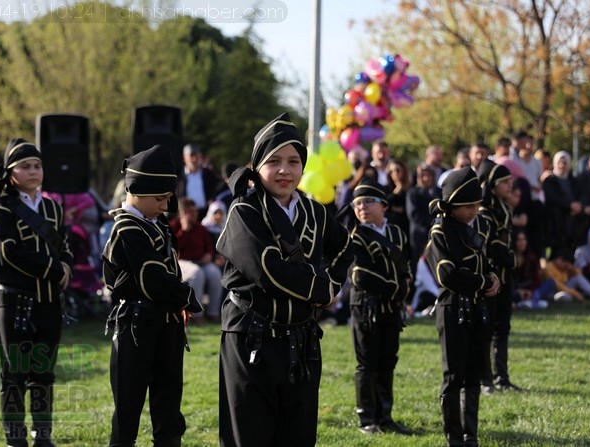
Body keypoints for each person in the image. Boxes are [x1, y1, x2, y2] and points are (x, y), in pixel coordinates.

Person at [216, 112, 353, 447]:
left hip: (301, 341)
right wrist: (320, 288)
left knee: (298, 436)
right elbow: (267, 269)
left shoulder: (316, 212)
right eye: (274, 161)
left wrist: (333, 285)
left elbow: (345, 247)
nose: (284, 170)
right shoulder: (243, 212)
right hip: (251, 338)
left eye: (294, 161)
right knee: (248, 437)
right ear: (257, 166)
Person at [102, 145, 202, 447]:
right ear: (136, 191)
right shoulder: (126, 229)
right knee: (128, 410)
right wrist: (187, 298)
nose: (166, 205)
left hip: (167, 325)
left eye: (168, 198)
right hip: (136, 326)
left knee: (169, 409)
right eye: (159, 198)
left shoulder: (157, 224)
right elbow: (153, 278)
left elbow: (168, 271)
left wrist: (177, 302)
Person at [0, 139, 73, 447]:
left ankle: (43, 436)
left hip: (49, 301)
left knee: (44, 372)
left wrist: (68, 265)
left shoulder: (52, 208)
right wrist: (56, 269)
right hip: (14, 301)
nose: (33, 171)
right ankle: (16, 438)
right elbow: (10, 252)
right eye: (25, 166)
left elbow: (65, 245)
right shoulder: (0, 211)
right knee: (15, 374)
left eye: (37, 165)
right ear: (10, 174)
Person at [426, 167, 500, 447]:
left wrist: (493, 277)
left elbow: (484, 259)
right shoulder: (440, 230)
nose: (474, 210)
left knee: (474, 372)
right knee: (453, 375)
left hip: (478, 308)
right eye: (468, 205)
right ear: (452, 204)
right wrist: (482, 281)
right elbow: (447, 274)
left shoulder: (477, 225)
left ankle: (471, 435)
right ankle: (454, 438)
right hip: (453, 307)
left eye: (477, 204)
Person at [347, 178, 412, 436]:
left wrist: (404, 284)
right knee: (367, 363)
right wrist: (399, 288)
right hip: (366, 305)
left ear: (383, 206)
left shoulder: (397, 233)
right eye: (357, 203)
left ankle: (385, 417)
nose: (362, 207)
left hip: (391, 308)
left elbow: (405, 267)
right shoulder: (354, 236)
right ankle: (367, 420)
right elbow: (360, 276)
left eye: (367, 202)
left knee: (387, 361)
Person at [476, 160, 519, 394]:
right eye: (504, 181)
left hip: (505, 275)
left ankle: (502, 377)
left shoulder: (504, 207)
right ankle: (486, 380)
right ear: (493, 185)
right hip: (490, 275)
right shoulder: (483, 210)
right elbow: (489, 244)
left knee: (503, 327)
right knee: (487, 328)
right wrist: (508, 257)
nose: (509, 184)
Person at [170, 197, 224, 322]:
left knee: (215, 273)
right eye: (191, 212)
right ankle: (196, 315)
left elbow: (209, 247)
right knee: (197, 274)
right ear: (183, 213)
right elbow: (173, 250)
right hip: (181, 262)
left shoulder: (200, 228)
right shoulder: (174, 226)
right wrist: (183, 231)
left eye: (195, 211)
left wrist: (209, 255)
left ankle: (213, 313)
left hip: (200, 261)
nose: (195, 214)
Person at [541, 151, 581, 255]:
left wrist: (576, 207)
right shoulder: (550, 180)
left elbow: (578, 194)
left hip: (571, 221)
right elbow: (553, 198)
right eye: (559, 162)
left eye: (565, 163)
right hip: (555, 221)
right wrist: (569, 206)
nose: (562, 165)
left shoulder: (573, 180)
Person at [175, 144, 220, 219]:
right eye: (191, 156)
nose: (194, 159)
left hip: (206, 215)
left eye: (196, 156)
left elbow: (217, 188)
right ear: (184, 158)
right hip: (185, 216)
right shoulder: (178, 176)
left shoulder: (208, 174)